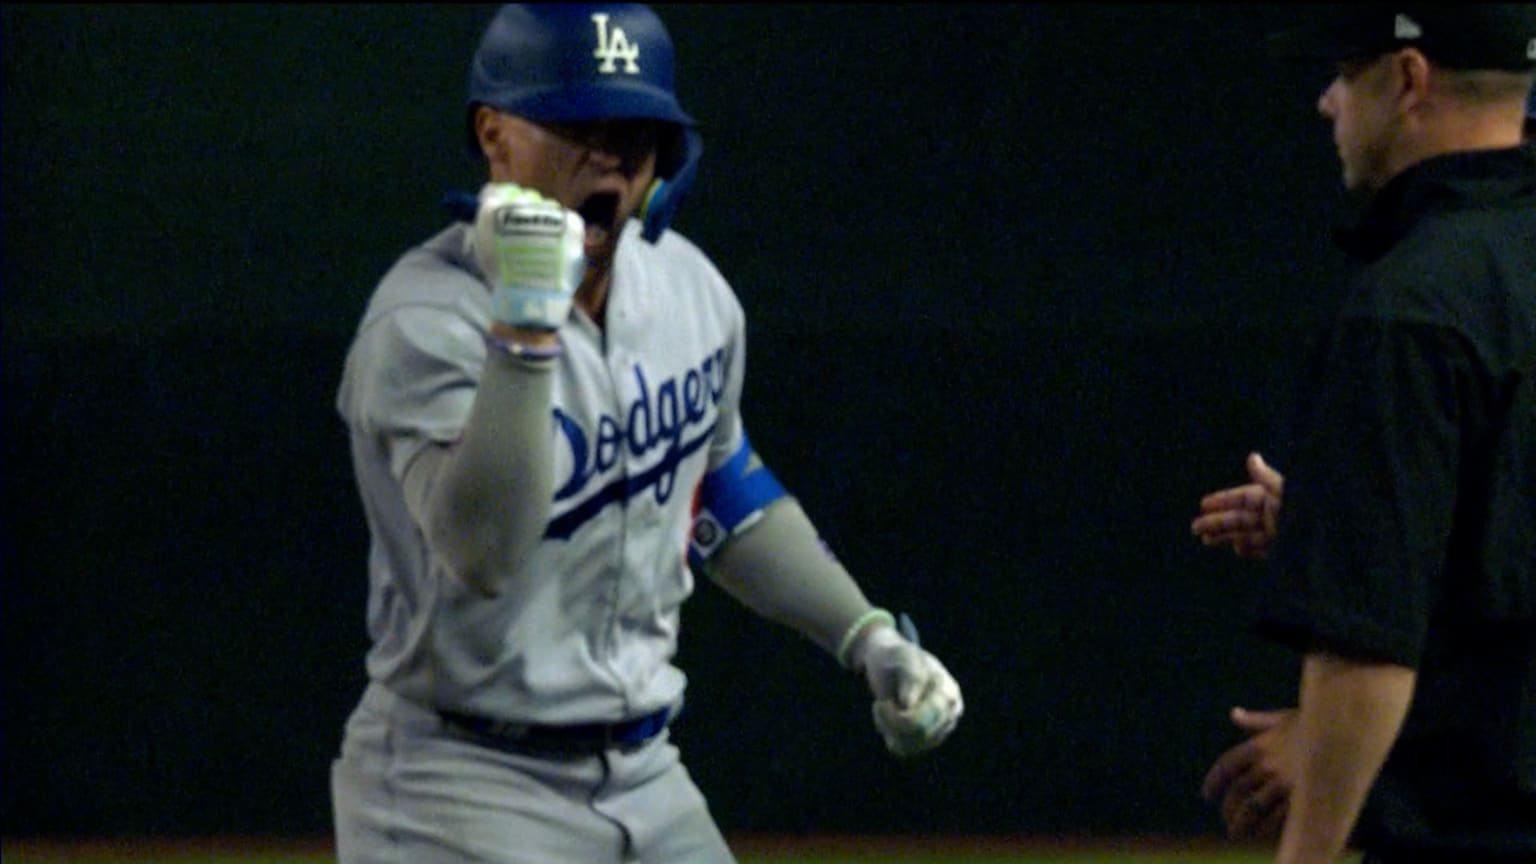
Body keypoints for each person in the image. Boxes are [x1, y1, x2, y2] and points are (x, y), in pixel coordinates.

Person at [327, 5, 963, 863]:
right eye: (576, 123)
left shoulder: (689, 291)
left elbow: (721, 487)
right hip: (459, 786)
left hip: (646, 773)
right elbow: (481, 552)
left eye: (636, 130)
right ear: (493, 134)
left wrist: (865, 635)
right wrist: (524, 323)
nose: (611, 157)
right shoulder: (425, 319)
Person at [1191, 6, 1536, 863]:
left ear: (1410, 81)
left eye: (1346, 74)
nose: (1325, 103)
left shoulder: (1412, 308)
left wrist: (1310, 840)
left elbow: (1366, 645)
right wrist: (1345, 520)